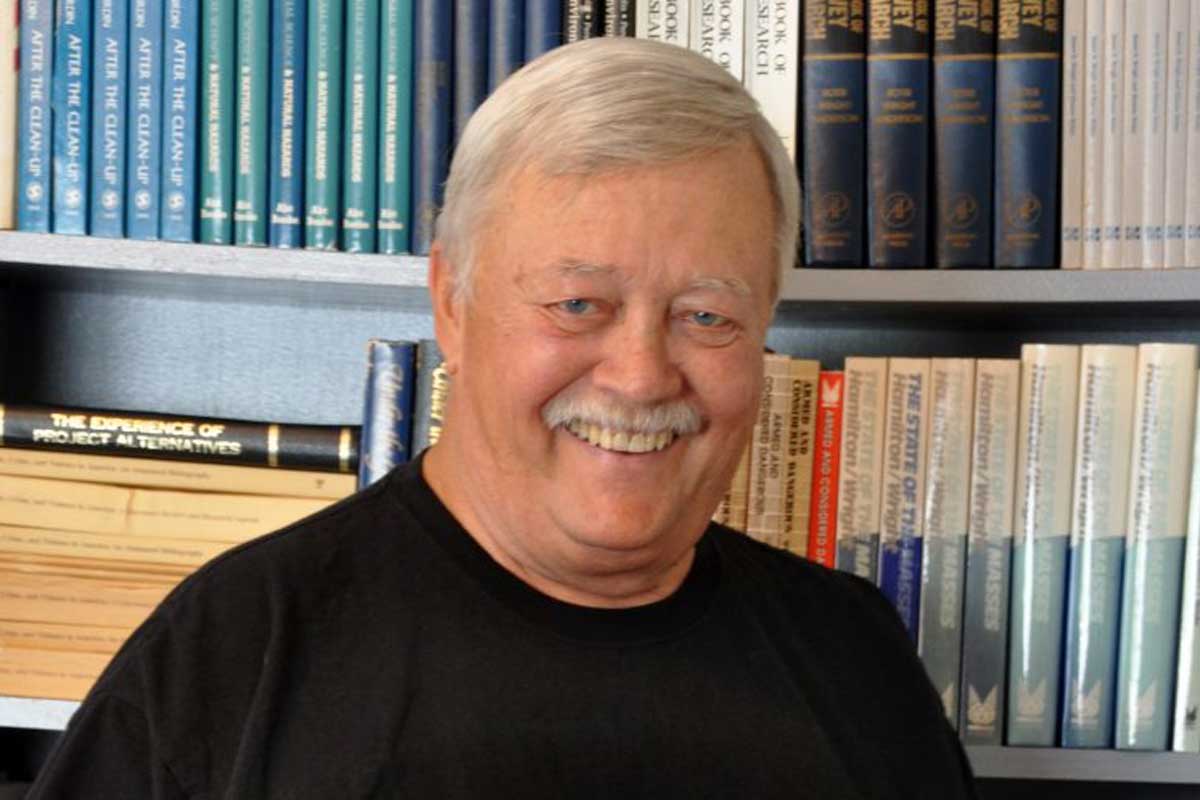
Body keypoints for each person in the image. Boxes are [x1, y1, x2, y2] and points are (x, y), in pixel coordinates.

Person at [27, 38, 977, 798]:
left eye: (706, 317)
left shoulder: (855, 656)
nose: (643, 377)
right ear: (452, 301)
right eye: (578, 305)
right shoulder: (237, 648)